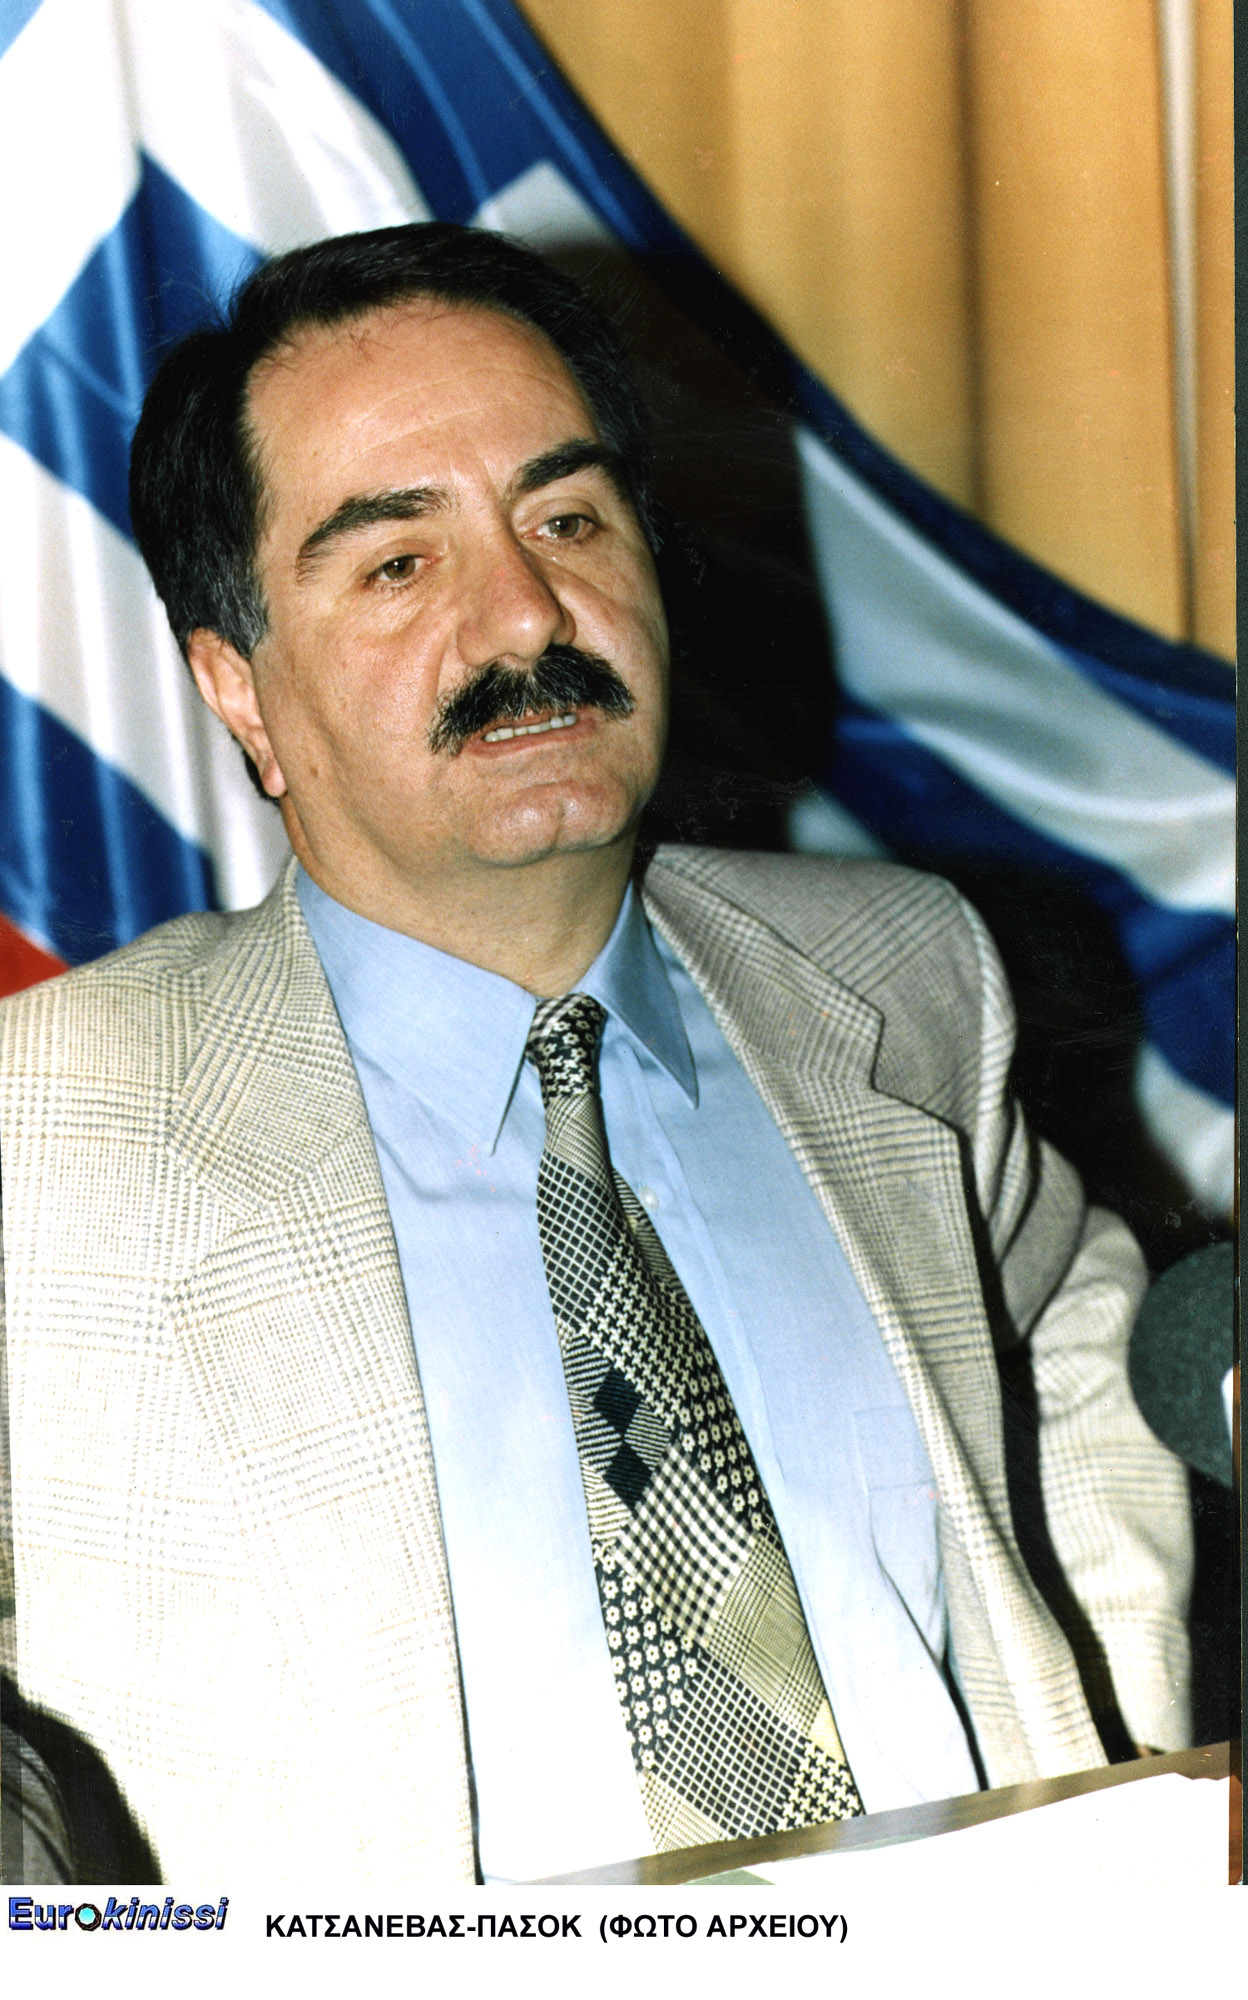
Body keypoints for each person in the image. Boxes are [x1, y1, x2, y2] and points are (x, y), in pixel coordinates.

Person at [0, 224, 1191, 1886]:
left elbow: (1071, 1328)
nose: (525, 614)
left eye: (566, 520)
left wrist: (1117, 1776)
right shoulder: (48, 1131)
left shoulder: (903, 976)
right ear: (240, 689)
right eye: (397, 563)